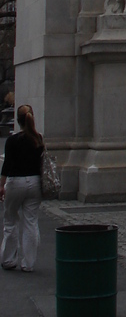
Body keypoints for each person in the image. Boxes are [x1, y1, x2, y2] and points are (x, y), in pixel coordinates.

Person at [1, 104, 44, 272]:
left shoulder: (12, 140)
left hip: (15, 182)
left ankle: (9, 259)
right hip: (34, 183)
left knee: (10, 220)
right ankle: (29, 263)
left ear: (17, 121)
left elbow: (7, 165)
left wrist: (1, 185)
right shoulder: (38, 138)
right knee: (31, 222)